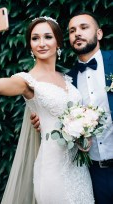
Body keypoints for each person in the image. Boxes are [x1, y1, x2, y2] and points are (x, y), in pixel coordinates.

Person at [0, 12, 94, 204]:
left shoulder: (67, 79)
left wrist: (84, 136)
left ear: (58, 42)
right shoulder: (27, 81)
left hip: (78, 169)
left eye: (48, 37)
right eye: (35, 38)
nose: (41, 43)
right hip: (52, 171)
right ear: (30, 46)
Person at [31, 11, 113, 204]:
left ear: (99, 33)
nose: (77, 33)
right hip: (94, 173)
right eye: (72, 31)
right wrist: (42, 119)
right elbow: (58, 113)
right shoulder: (68, 82)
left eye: (84, 28)